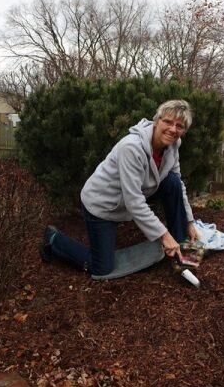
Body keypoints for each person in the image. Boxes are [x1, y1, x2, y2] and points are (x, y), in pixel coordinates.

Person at [40, 99, 198, 276]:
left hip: (133, 194)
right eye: (167, 122)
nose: (173, 129)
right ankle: (54, 239)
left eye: (179, 126)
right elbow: (134, 202)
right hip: (104, 203)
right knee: (102, 268)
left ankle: (180, 246)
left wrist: (189, 222)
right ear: (157, 120)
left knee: (172, 182)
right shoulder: (131, 147)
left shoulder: (173, 145)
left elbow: (177, 182)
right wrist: (164, 235)